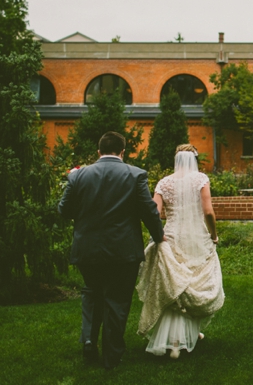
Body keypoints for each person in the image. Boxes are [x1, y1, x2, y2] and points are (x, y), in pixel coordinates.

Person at [58, 131, 164, 370]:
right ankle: (111, 357)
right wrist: (159, 236)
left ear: (99, 152)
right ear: (122, 152)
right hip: (122, 251)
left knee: (91, 292)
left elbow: (64, 210)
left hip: (87, 249)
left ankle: (88, 340)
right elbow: (149, 211)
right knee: (116, 300)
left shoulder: (78, 176)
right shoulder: (135, 174)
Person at [137, 144, 225, 359]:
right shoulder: (201, 179)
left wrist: (158, 236)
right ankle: (181, 340)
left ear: (176, 159)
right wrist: (213, 235)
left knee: (174, 285)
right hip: (196, 238)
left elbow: (155, 213)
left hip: (172, 237)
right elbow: (208, 212)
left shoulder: (164, 182)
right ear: (194, 159)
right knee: (192, 283)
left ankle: (175, 341)